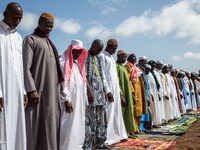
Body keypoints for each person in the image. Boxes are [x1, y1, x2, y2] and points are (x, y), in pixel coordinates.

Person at [23, 12, 63, 150]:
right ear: (39, 23)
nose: (49, 29)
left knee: (51, 123)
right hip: (38, 91)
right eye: (47, 26)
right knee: (35, 124)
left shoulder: (50, 44)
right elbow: (25, 68)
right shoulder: (30, 40)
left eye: (52, 27)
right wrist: (31, 90)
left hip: (52, 92)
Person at [0, 2, 26, 150]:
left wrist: (22, 91)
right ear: (5, 14)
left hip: (16, 92)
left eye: (20, 18)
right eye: (15, 17)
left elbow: (20, 66)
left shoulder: (18, 38)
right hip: (2, 91)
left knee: (16, 126)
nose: (17, 21)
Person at [83, 39, 114, 149]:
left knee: (102, 120)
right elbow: (84, 76)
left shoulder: (98, 58)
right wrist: (88, 92)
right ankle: (87, 145)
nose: (99, 51)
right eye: (98, 49)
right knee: (90, 120)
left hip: (100, 94)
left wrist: (106, 91)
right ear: (92, 46)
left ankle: (100, 142)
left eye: (101, 50)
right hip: (91, 94)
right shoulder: (85, 56)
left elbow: (102, 76)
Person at [59, 39, 88, 150]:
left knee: (78, 125)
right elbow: (63, 83)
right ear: (71, 49)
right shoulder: (63, 61)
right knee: (68, 125)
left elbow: (83, 83)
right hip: (68, 100)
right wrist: (66, 99)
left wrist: (84, 100)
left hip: (79, 99)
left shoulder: (78, 64)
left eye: (79, 52)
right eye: (75, 51)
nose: (77, 54)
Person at [98, 39, 128, 145]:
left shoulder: (111, 57)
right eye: (114, 48)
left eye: (116, 48)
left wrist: (118, 92)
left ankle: (118, 134)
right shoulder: (102, 56)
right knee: (108, 113)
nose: (115, 51)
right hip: (108, 90)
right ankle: (107, 138)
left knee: (116, 112)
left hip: (115, 89)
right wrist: (107, 91)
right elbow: (102, 75)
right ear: (108, 46)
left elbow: (115, 77)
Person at [125, 53, 146, 133]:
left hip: (139, 92)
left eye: (135, 57)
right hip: (133, 92)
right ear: (128, 58)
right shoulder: (127, 67)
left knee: (139, 111)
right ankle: (132, 130)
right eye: (132, 57)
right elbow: (129, 80)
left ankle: (137, 129)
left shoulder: (135, 68)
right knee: (133, 111)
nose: (134, 58)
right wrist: (132, 92)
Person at [116, 50, 135, 136]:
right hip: (121, 94)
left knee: (128, 111)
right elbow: (116, 82)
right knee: (121, 112)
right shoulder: (116, 66)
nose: (125, 58)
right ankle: (120, 133)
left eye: (125, 57)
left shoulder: (123, 67)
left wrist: (131, 94)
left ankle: (127, 131)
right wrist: (120, 95)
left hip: (127, 93)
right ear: (118, 56)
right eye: (123, 56)